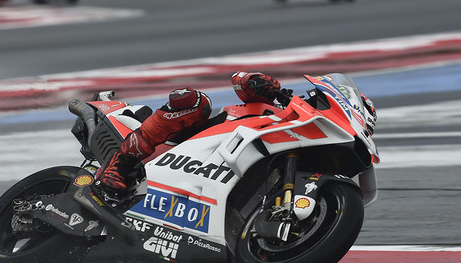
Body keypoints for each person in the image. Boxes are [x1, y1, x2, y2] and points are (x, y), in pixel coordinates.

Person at [95, 72, 377, 194]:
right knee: (194, 100)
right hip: (194, 139)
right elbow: (240, 79)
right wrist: (268, 87)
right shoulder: (285, 104)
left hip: (218, 171)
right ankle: (120, 164)